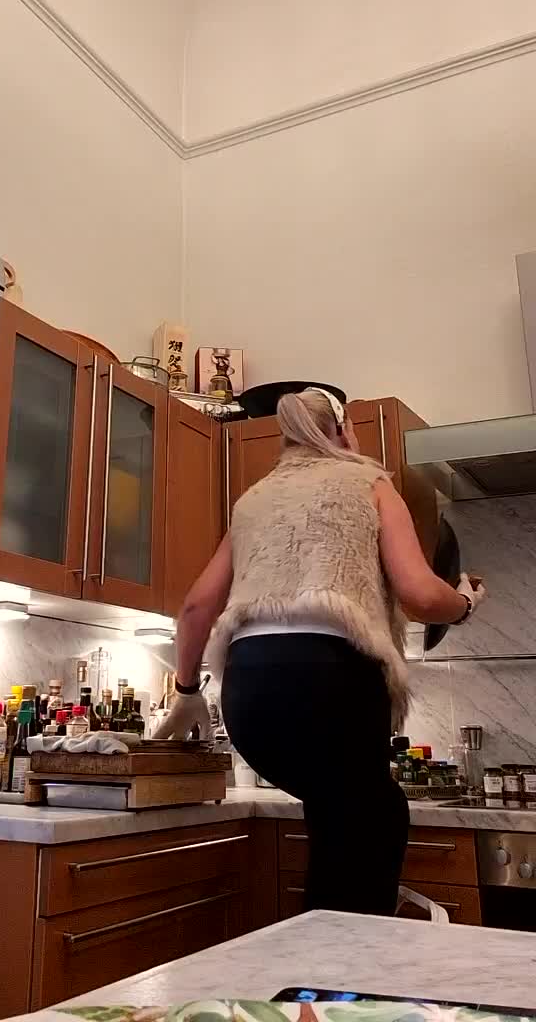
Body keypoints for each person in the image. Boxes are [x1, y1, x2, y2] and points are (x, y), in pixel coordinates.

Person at [157, 386, 486, 917]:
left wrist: (187, 690)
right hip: (333, 683)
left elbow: (196, 607)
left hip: (250, 700)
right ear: (343, 430)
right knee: (373, 820)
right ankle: (350, 959)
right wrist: (465, 603)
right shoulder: (369, 483)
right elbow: (423, 595)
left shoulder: (253, 500)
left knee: (338, 820)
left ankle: (325, 951)